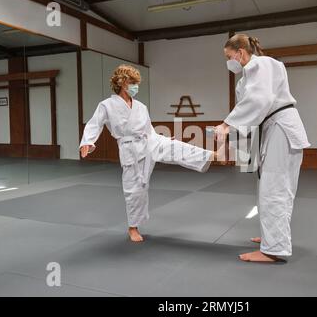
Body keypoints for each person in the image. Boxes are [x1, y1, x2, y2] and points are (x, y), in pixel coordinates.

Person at [79, 64, 215, 242]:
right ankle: (133, 227)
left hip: (149, 141)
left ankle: (208, 155)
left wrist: (161, 137)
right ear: (121, 82)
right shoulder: (107, 105)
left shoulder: (141, 106)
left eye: (136, 83)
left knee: (175, 146)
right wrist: (88, 142)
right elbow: (94, 123)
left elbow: (149, 129)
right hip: (129, 149)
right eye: (132, 82)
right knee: (135, 190)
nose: (135, 86)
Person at [214, 34, 311, 263]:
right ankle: (272, 237)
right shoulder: (246, 78)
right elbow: (249, 110)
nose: (229, 62)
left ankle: (273, 250)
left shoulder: (262, 63)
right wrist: (236, 148)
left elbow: (260, 100)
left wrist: (227, 124)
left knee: (274, 189)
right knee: (272, 187)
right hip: (274, 129)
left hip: (280, 127)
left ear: (240, 52)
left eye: (229, 57)